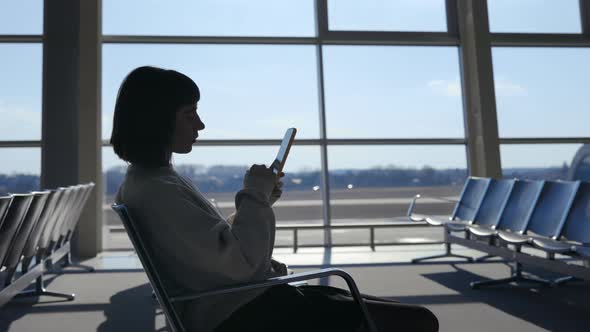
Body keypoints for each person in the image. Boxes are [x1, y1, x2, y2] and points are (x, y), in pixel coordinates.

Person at [112, 66, 439, 332]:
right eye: (190, 114)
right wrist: (254, 195)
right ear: (157, 118)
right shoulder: (160, 189)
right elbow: (241, 264)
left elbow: (211, 250)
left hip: (233, 302)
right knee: (418, 321)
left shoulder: (147, 182)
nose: (200, 124)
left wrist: (259, 201)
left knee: (395, 314)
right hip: (241, 312)